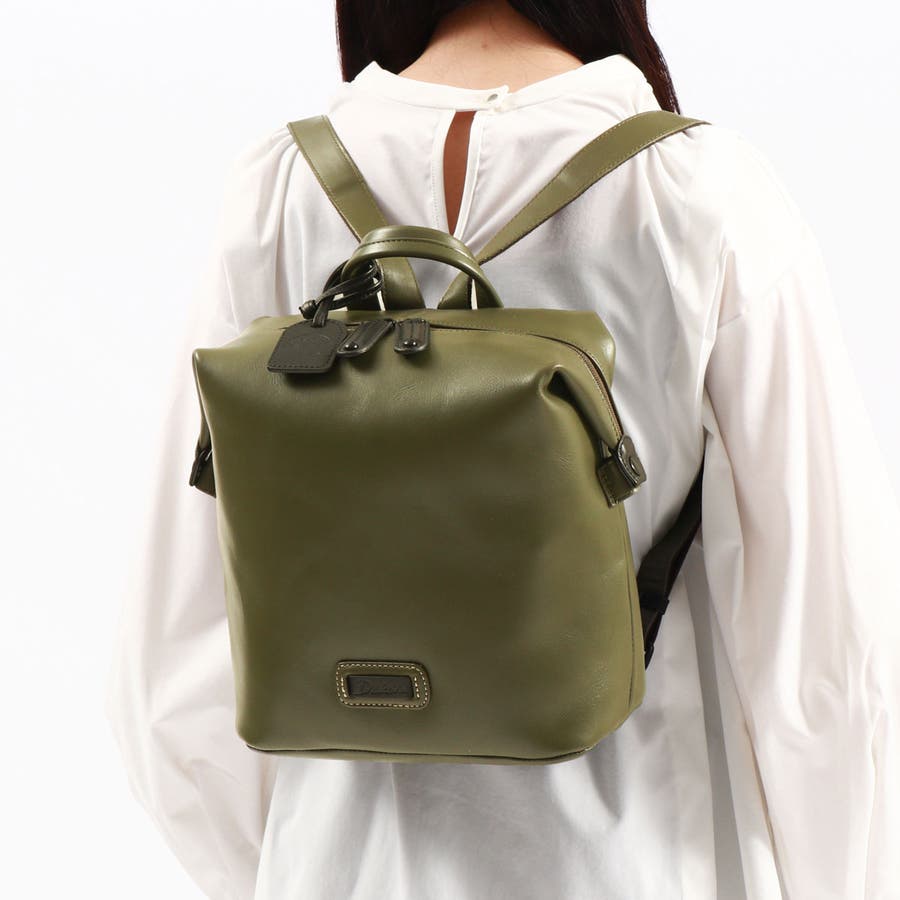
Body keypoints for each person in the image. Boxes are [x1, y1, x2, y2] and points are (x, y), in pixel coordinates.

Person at [105, 1, 900, 897]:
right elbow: (831, 651)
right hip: (640, 864)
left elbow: (170, 670)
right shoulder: (697, 191)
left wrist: (285, 861)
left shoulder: (278, 191)